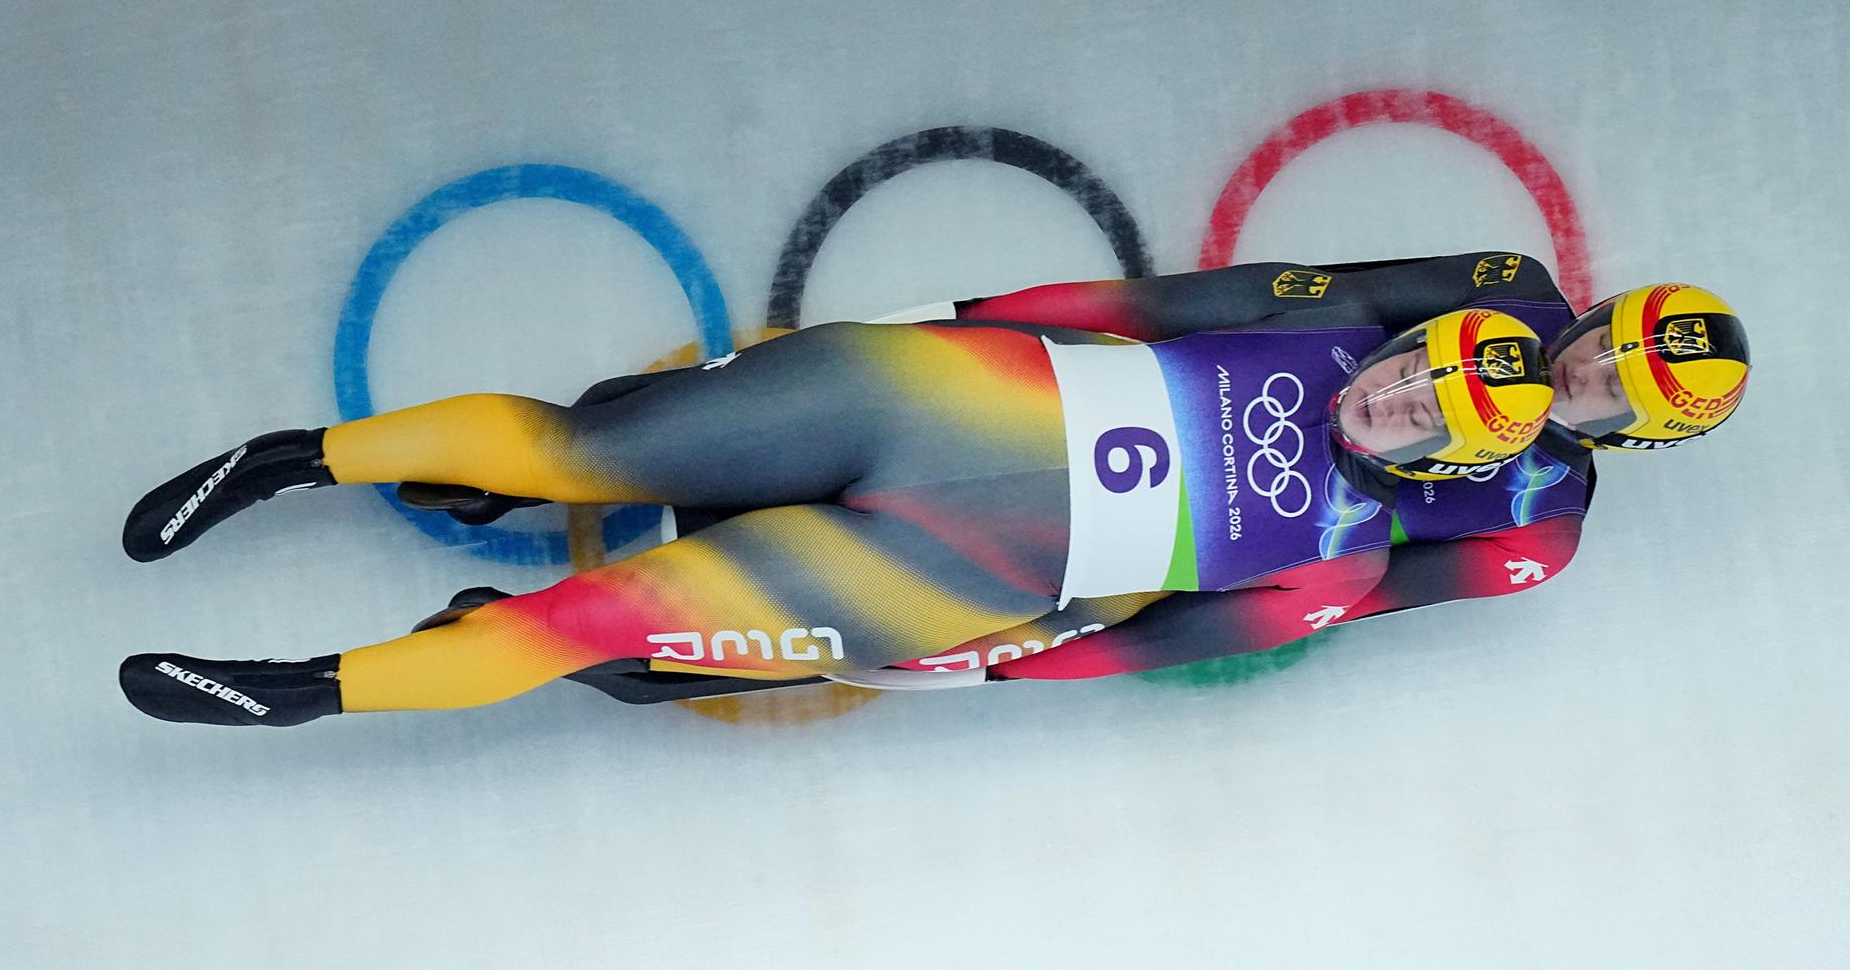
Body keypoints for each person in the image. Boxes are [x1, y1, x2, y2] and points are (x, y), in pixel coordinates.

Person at [116, 304, 1551, 727]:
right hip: (918, 400)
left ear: (1438, 471)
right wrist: (978, 323)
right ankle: (290, 460)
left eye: (1423, 419)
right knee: (582, 446)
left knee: (584, 623)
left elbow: (1188, 638)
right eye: (1411, 372)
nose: (1394, 400)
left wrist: (1016, 660)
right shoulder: (1312, 327)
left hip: (937, 567)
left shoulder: (1346, 551)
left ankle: (304, 691)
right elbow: (1143, 306)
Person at [567, 254, 1749, 696]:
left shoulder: (1536, 534)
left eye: (1603, 387)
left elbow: (1321, 600)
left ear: (1632, 434)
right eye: (1597, 342)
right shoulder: (1496, 285)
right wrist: (1000, 321)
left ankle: (640, 649)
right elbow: (1276, 296)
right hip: (1123, 415)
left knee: (896, 613)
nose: (1579, 364)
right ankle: (578, 462)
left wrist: (1071, 655)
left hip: (1162, 539)